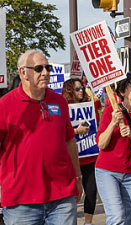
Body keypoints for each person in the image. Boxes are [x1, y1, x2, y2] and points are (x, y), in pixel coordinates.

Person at [0, 50, 82, 224]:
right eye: (39, 68)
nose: (45, 72)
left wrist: (78, 177)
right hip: (21, 202)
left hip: (62, 197)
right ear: (23, 72)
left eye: (48, 67)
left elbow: (69, 141)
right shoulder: (5, 105)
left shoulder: (59, 101)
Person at [95, 72, 131, 225]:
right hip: (108, 172)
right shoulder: (111, 110)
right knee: (117, 217)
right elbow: (101, 144)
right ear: (123, 91)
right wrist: (112, 123)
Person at [62, 78, 98, 225]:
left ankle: (88, 223)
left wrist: (88, 87)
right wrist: (77, 130)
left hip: (90, 157)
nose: (81, 90)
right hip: (71, 158)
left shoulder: (90, 105)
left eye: (82, 87)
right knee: (73, 194)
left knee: (91, 191)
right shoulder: (63, 107)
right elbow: (60, 132)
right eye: (77, 89)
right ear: (69, 91)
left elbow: (97, 101)